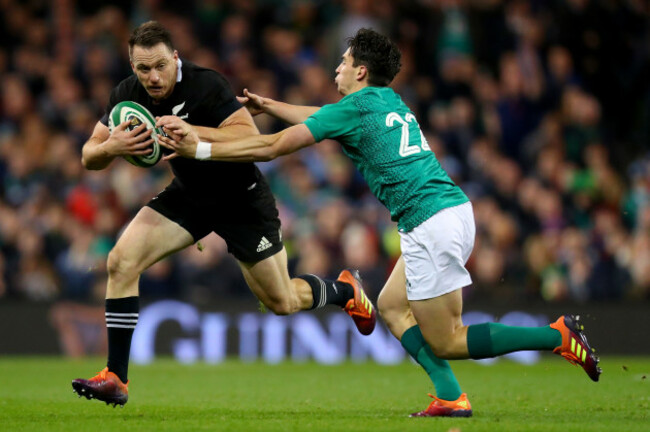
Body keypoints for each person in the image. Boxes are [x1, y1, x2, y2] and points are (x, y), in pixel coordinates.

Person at [157, 28, 602, 417]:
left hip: (432, 221)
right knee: (389, 305)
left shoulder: (355, 107)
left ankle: (555, 336)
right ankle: (450, 396)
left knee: (447, 339)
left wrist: (199, 148)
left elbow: (273, 148)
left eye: (344, 60)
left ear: (361, 72)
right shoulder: (384, 100)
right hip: (442, 212)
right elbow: (322, 118)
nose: (338, 66)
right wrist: (271, 104)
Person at [72, 21, 376, 407]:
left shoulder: (206, 85)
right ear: (132, 66)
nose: (152, 77)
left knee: (281, 301)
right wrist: (110, 146)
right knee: (120, 261)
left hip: (241, 199)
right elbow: (88, 156)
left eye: (160, 66)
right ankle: (116, 376)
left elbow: (251, 140)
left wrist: (193, 131)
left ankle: (345, 290)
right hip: (190, 196)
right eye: (142, 68)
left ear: (175, 58)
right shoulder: (126, 96)